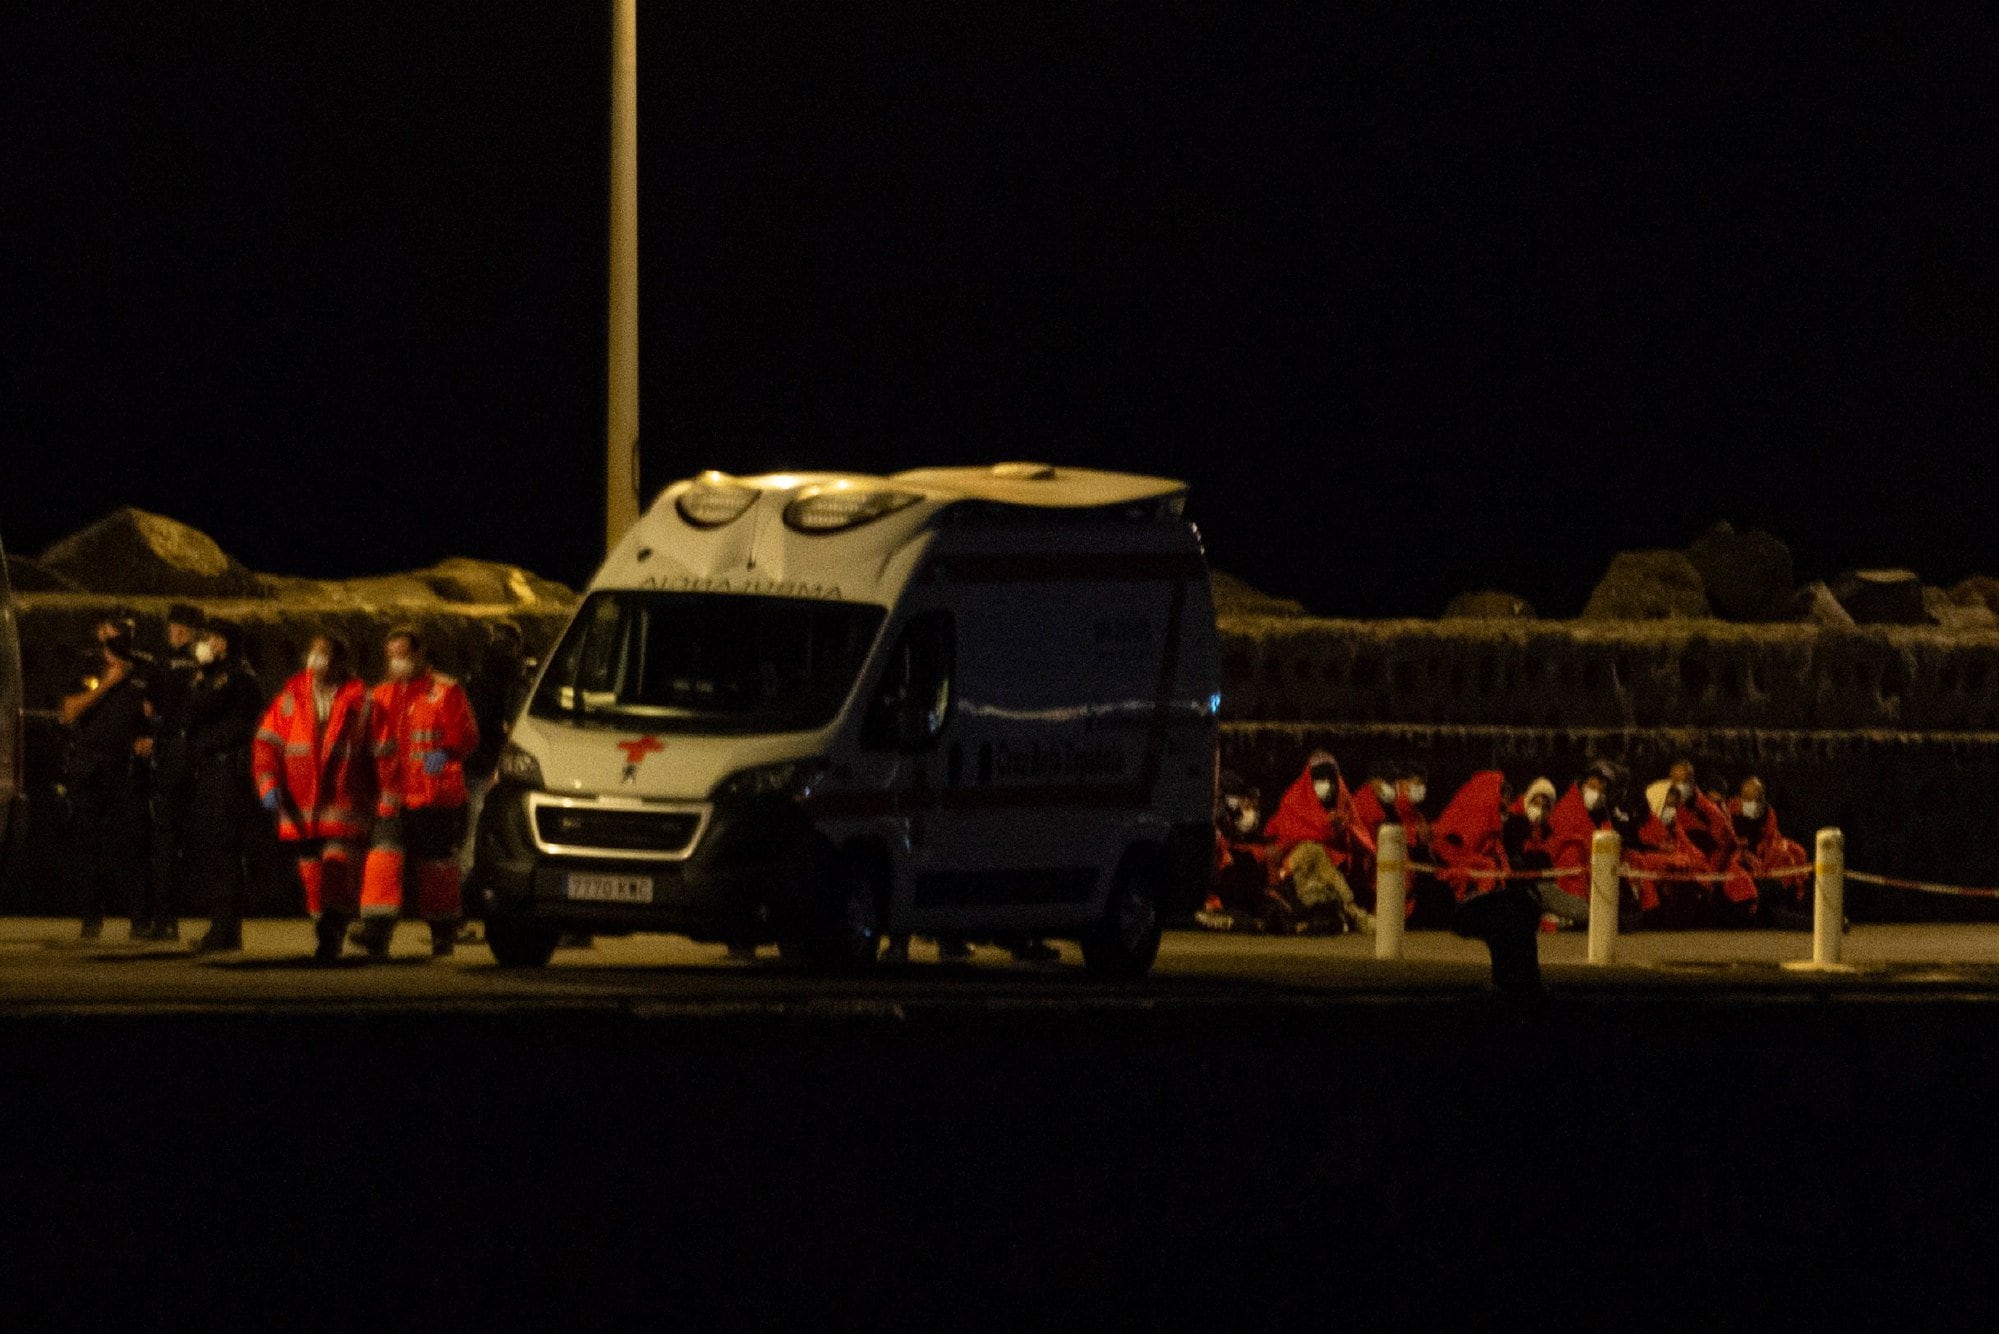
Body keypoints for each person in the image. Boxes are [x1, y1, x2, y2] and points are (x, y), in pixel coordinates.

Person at [254, 634, 375, 963]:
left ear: (340, 662)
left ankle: (332, 933)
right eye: (313, 652)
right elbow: (267, 744)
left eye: (323, 654)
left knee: (337, 870)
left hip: (343, 806)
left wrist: (385, 796)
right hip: (301, 809)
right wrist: (268, 783)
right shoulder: (291, 696)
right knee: (313, 880)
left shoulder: (361, 701)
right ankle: (327, 928)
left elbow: (380, 753)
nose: (315, 660)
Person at [359, 628, 479, 959]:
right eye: (391, 655)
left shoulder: (445, 690)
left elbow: (466, 736)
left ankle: (443, 934)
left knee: (437, 868)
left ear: (419, 655)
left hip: (433, 797)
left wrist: (447, 753)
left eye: (402, 654)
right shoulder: (379, 695)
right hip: (392, 797)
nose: (396, 662)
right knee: (382, 861)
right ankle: (376, 934)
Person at [58, 614, 154, 941]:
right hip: (89, 767)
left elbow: (156, 713)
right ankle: (91, 917)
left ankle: (140, 919)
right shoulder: (87, 665)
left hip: (124, 768)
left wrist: (149, 735)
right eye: (112, 636)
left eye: (124, 636)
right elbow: (69, 710)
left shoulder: (143, 669)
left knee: (132, 843)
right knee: (88, 844)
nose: (116, 643)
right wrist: (108, 684)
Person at [182, 618, 263, 954]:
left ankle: (224, 930)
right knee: (217, 851)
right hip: (215, 770)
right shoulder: (222, 674)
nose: (207, 644)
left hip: (227, 771)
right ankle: (224, 929)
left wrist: (200, 679)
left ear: (225, 642)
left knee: (225, 851)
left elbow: (199, 709)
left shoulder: (235, 676)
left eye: (212, 638)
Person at [136, 602, 204, 942]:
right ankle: (164, 918)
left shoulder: (185, 662)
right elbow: (149, 703)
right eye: (173, 626)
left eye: (182, 628)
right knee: (164, 843)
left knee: (169, 842)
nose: (176, 632)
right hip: (170, 753)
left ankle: (167, 919)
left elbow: (158, 703)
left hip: (177, 756)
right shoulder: (171, 660)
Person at [1263, 749, 1374, 934]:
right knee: (1312, 850)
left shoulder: (1343, 802)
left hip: (1328, 873)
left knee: (1317, 858)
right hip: (1296, 871)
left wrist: (1343, 829)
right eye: (1319, 778)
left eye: (1330, 778)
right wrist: (1327, 829)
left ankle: (1340, 910)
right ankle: (1349, 907)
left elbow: (1361, 841)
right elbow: (1287, 836)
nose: (1326, 784)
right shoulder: (1293, 800)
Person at [1729, 776, 1812, 925]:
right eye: (1747, 799)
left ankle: (1793, 904)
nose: (1751, 804)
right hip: (1740, 864)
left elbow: (1772, 841)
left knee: (1793, 854)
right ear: (1740, 797)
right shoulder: (1730, 812)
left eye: (1756, 799)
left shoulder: (1768, 814)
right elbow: (1726, 842)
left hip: (1765, 865)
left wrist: (1764, 861)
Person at [1430, 770, 1511, 904]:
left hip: (1459, 855)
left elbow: (1495, 847)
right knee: (1487, 866)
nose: (1506, 803)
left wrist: (1505, 868)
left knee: (1489, 866)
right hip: (1451, 854)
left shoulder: (1483, 810)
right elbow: (1467, 845)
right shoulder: (1478, 813)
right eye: (1504, 796)